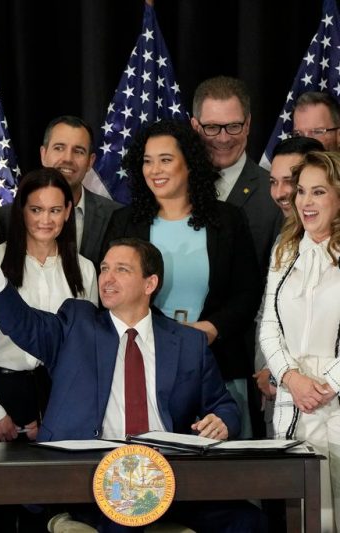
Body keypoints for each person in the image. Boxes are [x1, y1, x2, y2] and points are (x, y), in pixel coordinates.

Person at [0, 234, 264, 532]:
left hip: (166, 476)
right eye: (104, 269)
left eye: (122, 270)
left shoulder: (187, 342)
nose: (107, 278)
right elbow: (23, 322)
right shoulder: (77, 325)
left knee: (249, 521)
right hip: (91, 478)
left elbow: (223, 405)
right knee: (128, 508)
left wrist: (222, 421)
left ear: (150, 284)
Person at [103, 119, 262, 439]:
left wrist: (211, 329)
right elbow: (109, 291)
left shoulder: (227, 220)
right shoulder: (125, 221)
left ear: (189, 163)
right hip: (143, 367)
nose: (155, 170)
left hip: (219, 364)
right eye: (147, 161)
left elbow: (248, 292)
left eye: (165, 159)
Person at [0, 167, 97, 533]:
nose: (46, 220)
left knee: (48, 511)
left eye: (55, 210)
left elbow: (85, 352)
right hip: (2, 389)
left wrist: (59, 414)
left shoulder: (86, 270)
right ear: (21, 211)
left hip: (58, 395)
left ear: (68, 211)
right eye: (36, 209)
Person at [260, 150, 340, 531]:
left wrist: (326, 386)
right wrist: (291, 379)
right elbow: (268, 328)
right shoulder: (285, 248)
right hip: (293, 403)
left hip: (334, 400)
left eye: (318, 192)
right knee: (306, 517)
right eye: (302, 191)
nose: (306, 202)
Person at [252, 136, 324, 424]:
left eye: (290, 182)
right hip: (283, 393)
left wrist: (325, 383)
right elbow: (267, 316)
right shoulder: (284, 242)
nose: (280, 193)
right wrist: (273, 370)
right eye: (273, 182)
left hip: (325, 394)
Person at [0, 115, 120, 265]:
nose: (68, 158)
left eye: (78, 151)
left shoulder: (116, 216)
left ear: (90, 162)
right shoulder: (5, 217)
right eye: (59, 148)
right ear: (43, 154)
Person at [191, 76, 281, 277]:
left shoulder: (274, 194)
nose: (223, 139)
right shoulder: (176, 187)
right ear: (195, 127)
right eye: (212, 127)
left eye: (233, 126)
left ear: (247, 124)